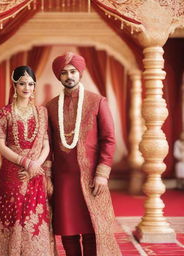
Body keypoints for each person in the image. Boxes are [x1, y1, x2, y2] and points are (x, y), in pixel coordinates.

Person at [46, 52, 122, 256]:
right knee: (67, 231)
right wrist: (47, 176)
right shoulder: (50, 107)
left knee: (91, 229)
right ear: (58, 76)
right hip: (63, 178)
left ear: (80, 73)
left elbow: (109, 139)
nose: (68, 76)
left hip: (91, 177)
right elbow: (47, 144)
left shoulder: (97, 101)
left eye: (72, 71)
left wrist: (102, 174)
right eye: (63, 73)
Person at [0, 66, 54, 256]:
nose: (26, 87)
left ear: (34, 86)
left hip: (35, 172)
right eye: (22, 83)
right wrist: (25, 162)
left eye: (30, 84)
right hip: (12, 172)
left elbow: (46, 144)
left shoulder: (42, 112)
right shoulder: (4, 113)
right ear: (14, 85)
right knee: (11, 211)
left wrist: (35, 164)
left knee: (32, 213)